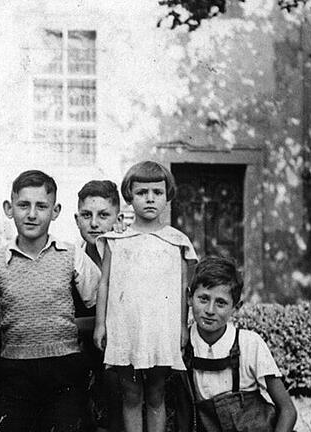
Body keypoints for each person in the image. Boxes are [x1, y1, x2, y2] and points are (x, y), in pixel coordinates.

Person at [0, 170, 101, 432]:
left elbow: (101, 305)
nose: (32, 214)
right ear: (9, 208)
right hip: (14, 369)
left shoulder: (71, 255)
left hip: (65, 368)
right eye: (23, 205)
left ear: (55, 211)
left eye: (41, 206)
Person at [94, 161, 198, 432]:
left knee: (156, 395)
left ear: (167, 196)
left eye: (157, 192)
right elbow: (104, 283)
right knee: (130, 395)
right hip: (126, 329)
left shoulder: (176, 241)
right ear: (129, 196)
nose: (150, 199)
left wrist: (182, 329)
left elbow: (182, 288)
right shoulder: (117, 241)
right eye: (141, 193)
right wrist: (100, 324)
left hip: (160, 330)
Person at [184, 256, 297, 432]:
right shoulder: (184, 344)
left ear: (236, 308)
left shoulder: (249, 344)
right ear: (189, 298)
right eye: (203, 299)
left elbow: (288, 410)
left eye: (221, 303)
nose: (210, 310)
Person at [73, 180, 124, 432]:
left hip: (118, 350)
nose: (94, 223)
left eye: (103, 215)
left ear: (117, 217)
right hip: (81, 351)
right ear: (76, 219)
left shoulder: (124, 255)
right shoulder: (72, 258)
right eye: (86, 215)